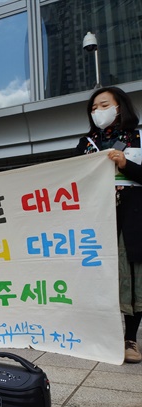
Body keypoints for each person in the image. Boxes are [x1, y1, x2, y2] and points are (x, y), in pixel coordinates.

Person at [76, 86, 142, 364]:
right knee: (99, 275)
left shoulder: (140, 137)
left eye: (103, 105)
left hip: (132, 216)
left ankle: (130, 338)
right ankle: (104, 334)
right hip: (97, 218)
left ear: (120, 106)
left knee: (131, 277)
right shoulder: (86, 142)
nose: (97, 112)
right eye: (93, 108)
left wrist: (125, 163)